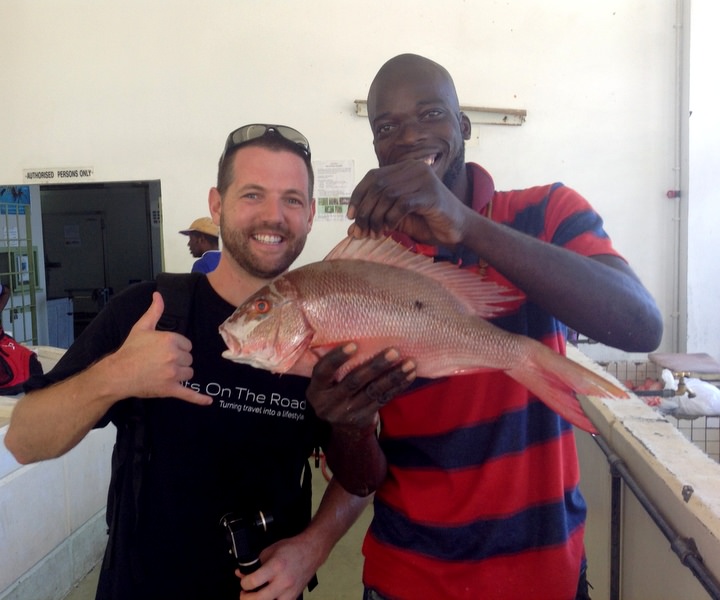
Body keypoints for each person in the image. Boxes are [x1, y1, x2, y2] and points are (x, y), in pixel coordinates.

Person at [4, 124, 415, 600]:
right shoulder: (149, 310)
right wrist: (116, 376)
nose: (274, 216)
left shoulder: (329, 330)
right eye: (253, 195)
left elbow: (355, 476)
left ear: (308, 218)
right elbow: (25, 439)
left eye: (293, 200)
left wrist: (314, 547)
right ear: (217, 205)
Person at [309, 54, 663, 600]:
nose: (408, 136)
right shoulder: (367, 264)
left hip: (546, 577)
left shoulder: (545, 212)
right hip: (409, 578)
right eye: (386, 126)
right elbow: (364, 476)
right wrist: (347, 426)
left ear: (463, 127)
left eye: (430, 114)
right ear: (375, 146)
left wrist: (466, 224)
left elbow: (640, 325)